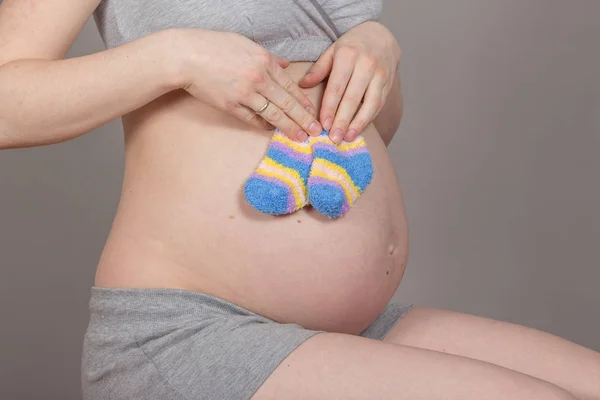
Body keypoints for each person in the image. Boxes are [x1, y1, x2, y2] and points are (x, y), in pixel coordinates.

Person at [0, 1, 598, 399]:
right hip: (194, 334)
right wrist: (172, 58)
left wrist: (379, 48)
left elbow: (368, 133)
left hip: (341, 330)